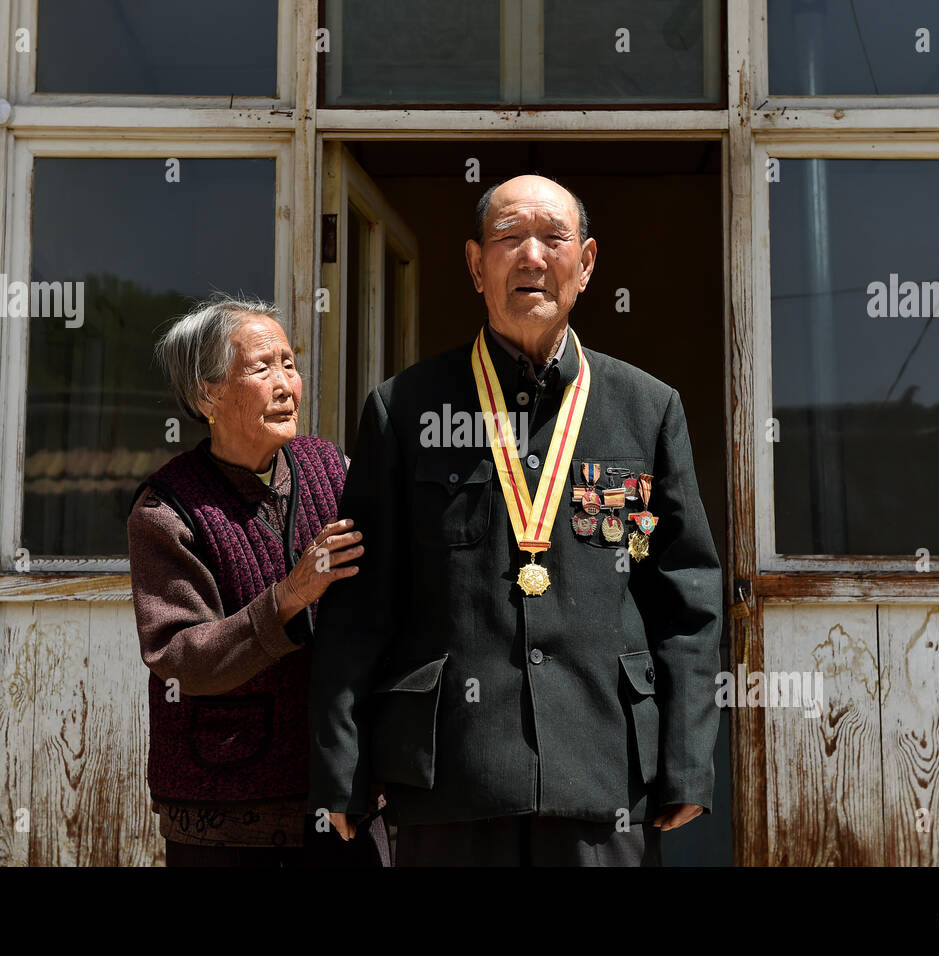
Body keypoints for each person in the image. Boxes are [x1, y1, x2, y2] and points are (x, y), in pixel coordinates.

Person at [309, 175, 723, 866]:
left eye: (554, 238)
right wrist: (343, 771)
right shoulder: (404, 409)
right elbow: (361, 604)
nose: (531, 256)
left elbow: (684, 601)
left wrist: (684, 762)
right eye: (508, 238)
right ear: (476, 265)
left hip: (604, 771)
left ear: (586, 263)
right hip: (452, 776)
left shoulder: (646, 410)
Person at [127, 296, 389, 867]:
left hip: (344, 791)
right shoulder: (168, 510)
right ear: (207, 396)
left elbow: (382, 612)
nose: (286, 383)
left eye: (289, 364)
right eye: (261, 367)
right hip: (226, 813)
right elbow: (180, 657)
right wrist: (291, 595)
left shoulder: (334, 470)